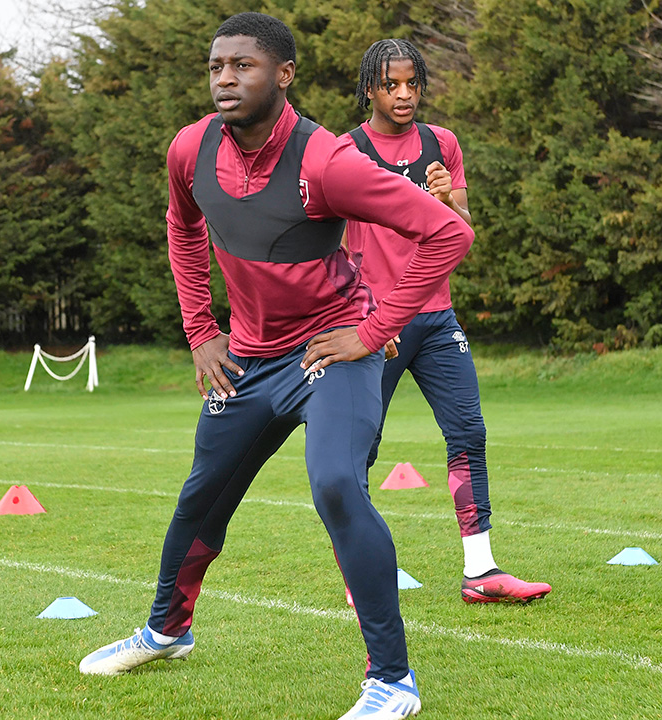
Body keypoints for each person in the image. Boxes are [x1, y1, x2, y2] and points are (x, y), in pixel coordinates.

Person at [78, 14, 473, 720]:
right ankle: (167, 632)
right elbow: (183, 225)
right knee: (200, 501)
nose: (225, 79)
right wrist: (201, 330)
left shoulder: (327, 161)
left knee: (335, 485)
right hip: (247, 360)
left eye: (243, 66)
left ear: (284, 75)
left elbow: (447, 232)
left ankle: (393, 682)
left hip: (329, 351)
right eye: (216, 66)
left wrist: (374, 329)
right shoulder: (189, 149)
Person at [344, 39, 551, 604]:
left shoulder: (443, 144)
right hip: (377, 324)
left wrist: (445, 201)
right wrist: (358, 317)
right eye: (391, 85)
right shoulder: (346, 152)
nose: (404, 94)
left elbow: (462, 231)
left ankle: (480, 573)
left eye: (413, 83)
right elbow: (330, 244)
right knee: (357, 448)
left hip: (436, 317)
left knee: (468, 434)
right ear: (370, 89)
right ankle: (357, 575)